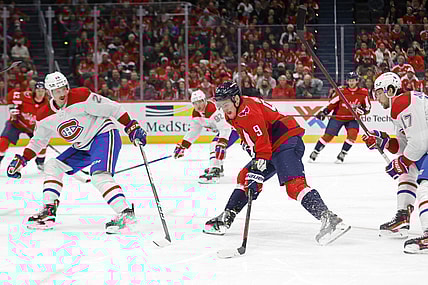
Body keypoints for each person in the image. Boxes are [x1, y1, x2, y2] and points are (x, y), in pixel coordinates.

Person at [203, 81, 350, 245]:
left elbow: (262, 142)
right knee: (244, 176)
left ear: (236, 99)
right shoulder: (235, 111)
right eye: (220, 105)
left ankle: (329, 218)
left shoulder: (248, 111)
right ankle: (227, 215)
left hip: (285, 142)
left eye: (226, 104)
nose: (224, 109)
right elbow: (251, 137)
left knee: (294, 186)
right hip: (272, 147)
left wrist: (257, 173)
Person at [6, 71, 147, 234]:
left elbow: (113, 108)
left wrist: (131, 125)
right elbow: (38, 141)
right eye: (56, 90)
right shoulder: (44, 115)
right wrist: (22, 159)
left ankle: (125, 213)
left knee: (99, 175)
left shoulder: (82, 96)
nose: (61, 93)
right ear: (50, 93)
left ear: (67, 86)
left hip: (103, 134)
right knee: (53, 165)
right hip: (82, 145)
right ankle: (48, 211)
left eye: (63, 88)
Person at [361, 72, 428, 254]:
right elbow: (403, 146)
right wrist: (382, 140)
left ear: (390, 90)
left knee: (425, 186)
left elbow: (420, 143)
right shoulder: (399, 106)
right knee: (408, 171)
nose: (377, 98)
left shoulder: (403, 102)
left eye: (379, 92)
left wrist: (402, 162)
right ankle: (402, 218)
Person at [173, 90, 239, 184]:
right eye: (195, 103)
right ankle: (218, 167)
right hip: (225, 129)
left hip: (233, 128)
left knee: (215, 145)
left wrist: (222, 143)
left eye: (200, 101)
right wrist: (183, 146)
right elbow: (194, 131)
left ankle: (214, 170)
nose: (198, 105)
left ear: (204, 100)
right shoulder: (196, 114)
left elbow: (225, 128)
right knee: (215, 146)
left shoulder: (213, 109)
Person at [309, 72, 370, 163]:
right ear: (347, 81)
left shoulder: (363, 93)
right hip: (338, 117)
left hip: (352, 119)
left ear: (357, 81)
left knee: (352, 136)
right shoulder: (341, 91)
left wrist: (363, 111)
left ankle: (343, 153)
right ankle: (316, 151)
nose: (351, 82)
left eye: (353, 80)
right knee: (328, 136)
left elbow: (368, 108)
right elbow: (332, 103)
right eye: (349, 80)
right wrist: (325, 112)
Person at [0, 81, 48, 170]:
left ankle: (40, 162)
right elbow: (11, 95)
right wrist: (12, 108)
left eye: (42, 91)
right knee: (2, 143)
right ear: (34, 91)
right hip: (16, 123)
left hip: (34, 127)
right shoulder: (26, 96)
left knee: (42, 144)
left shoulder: (48, 104)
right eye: (38, 91)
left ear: (45, 92)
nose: (40, 93)